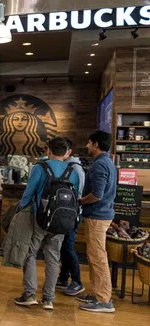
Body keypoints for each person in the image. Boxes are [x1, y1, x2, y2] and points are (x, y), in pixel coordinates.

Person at [14, 137, 81, 311]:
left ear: (48, 150)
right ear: (66, 152)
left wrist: (19, 209)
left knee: (30, 253)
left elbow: (29, 192)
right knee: (53, 258)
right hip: (61, 221)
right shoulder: (73, 171)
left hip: (40, 218)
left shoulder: (40, 168)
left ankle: (29, 294)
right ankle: (48, 299)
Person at [78, 131, 117, 313]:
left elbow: (97, 195)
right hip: (101, 215)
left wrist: (81, 200)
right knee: (94, 256)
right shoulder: (107, 162)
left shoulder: (99, 165)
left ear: (95, 144)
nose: (87, 146)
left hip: (97, 216)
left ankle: (104, 300)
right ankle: (97, 294)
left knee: (98, 258)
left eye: (88, 143)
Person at [56, 138, 86, 296]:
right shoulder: (69, 167)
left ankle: (77, 281)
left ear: (69, 152)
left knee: (67, 246)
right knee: (64, 246)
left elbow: (78, 194)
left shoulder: (75, 169)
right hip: (68, 213)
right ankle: (63, 278)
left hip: (72, 214)